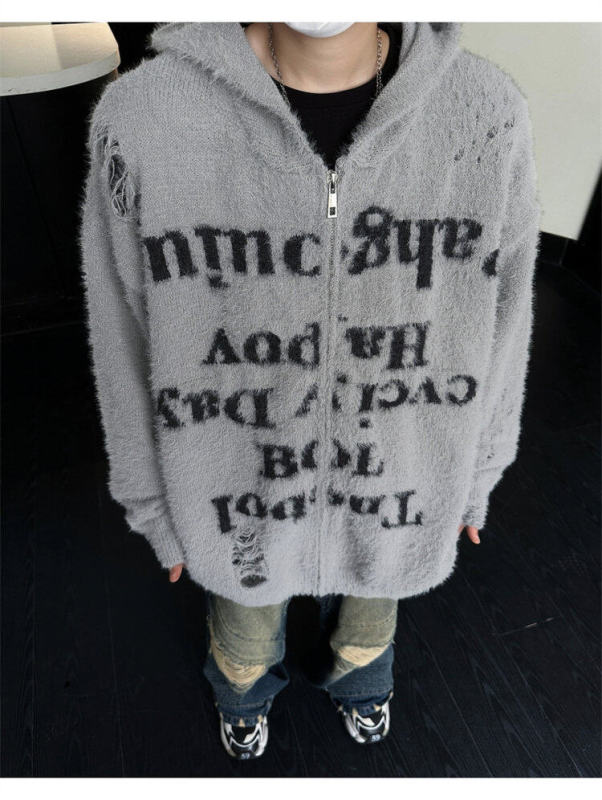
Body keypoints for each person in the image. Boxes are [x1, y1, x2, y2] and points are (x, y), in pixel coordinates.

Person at [79, 22, 541, 760]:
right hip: (232, 477)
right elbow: (120, 330)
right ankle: (243, 690)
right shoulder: (145, 118)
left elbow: (506, 316)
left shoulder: (484, 114)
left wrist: (481, 466)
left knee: (375, 600)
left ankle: (362, 678)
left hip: (400, 466)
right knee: (243, 621)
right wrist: (150, 500)